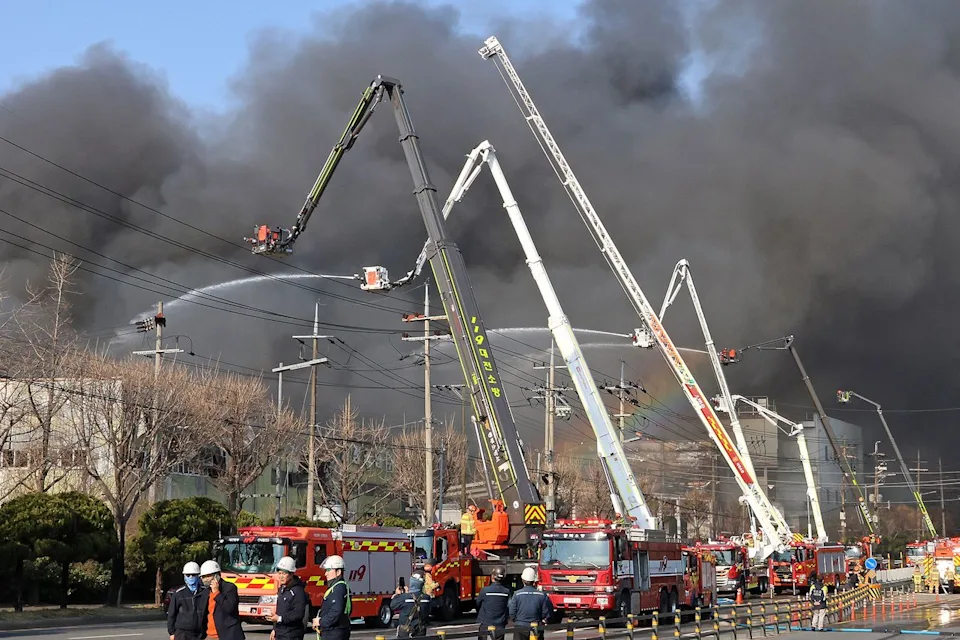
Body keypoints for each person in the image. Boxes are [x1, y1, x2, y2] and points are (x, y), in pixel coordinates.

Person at [200, 560, 245, 640]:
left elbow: (229, 608)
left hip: (229, 635)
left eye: (208, 576)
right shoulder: (205, 592)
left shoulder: (229, 588)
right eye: (203, 577)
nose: (206, 579)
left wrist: (216, 592)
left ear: (217, 575)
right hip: (210, 635)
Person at [313, 555, 352, 640]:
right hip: (334, 631)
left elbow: (336, 611)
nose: (325, 573)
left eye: (328, 570)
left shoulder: (338, 588)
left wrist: (320, 621)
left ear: (338, 572)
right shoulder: (337, 587)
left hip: (334, 633)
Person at [269, 556, 308, 640]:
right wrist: (275, 629)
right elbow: (279, 611)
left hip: (292, 634)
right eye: (279, 573)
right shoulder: (282, 589)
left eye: (284, 573)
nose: (281, 576)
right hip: (281, 633)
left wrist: (280, 619)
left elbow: (298, 614)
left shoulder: (298, 591)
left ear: (291, 574)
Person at [508, 567, 552, 640]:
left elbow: (512, 612)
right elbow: (545, 612)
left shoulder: (517, 594)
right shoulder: (541, 595)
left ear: (522, 580)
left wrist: (518, 620)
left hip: (520, 626)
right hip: (536, 625)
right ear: (534, 581)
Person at [167, 562, 207, 640]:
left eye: (193, 575)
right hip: (182, 633)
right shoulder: (178, 593)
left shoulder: (205, 592)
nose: (191, 577)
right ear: (184, 576)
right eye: (188, 575)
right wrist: (171, 633)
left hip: (199, 633)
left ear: (198, 576)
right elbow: (171, 614)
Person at [391, 571, 431, 638]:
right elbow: (428, 610)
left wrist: (398, 594)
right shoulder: (427, 598)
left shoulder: (404, 597)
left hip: (405, 631)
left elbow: (393, 606)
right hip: (420, 630)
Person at [476, 567, 510, 640]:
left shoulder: (485, 590)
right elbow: (508, 606)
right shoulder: (506, 592)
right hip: (500, 624)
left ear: (492, 577)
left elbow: (477, 603)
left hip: (486, 623)